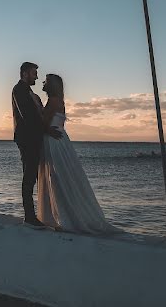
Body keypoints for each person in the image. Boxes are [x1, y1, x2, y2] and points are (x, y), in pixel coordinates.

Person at [37, 74, 119, 234]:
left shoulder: (53, 101)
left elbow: (43, 123)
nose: (43, 83)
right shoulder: (59, 101)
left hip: (52, 141)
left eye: (45, 81)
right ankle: (63, 215)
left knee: (56, 178)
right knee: (63, 177)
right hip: (60, 140)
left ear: (51, 85)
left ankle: (61, 217)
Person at [12, 62, 60, 228]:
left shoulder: (30, 92)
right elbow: (28, 117)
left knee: (35, 175)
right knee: (29, 176)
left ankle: (40, 214)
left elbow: (37, 116)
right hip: (27, 139)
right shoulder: (19, 90)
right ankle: (29, 217)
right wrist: (47, 130)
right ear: (25, 73)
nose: (37, 77)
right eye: (34, 73)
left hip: (35, 139)